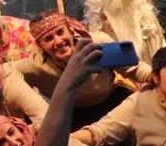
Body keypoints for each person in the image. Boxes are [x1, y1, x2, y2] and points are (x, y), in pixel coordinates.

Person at [13, 10, 151, 129]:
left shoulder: (96, 43)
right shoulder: (36, 66)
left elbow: (134, 68)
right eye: (48, 39)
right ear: (40, 46)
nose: (58, 41)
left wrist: (157, 75)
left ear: (70, 30)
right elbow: (5, 72)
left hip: (115, 101)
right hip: (77, 116)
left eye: (60, 32)